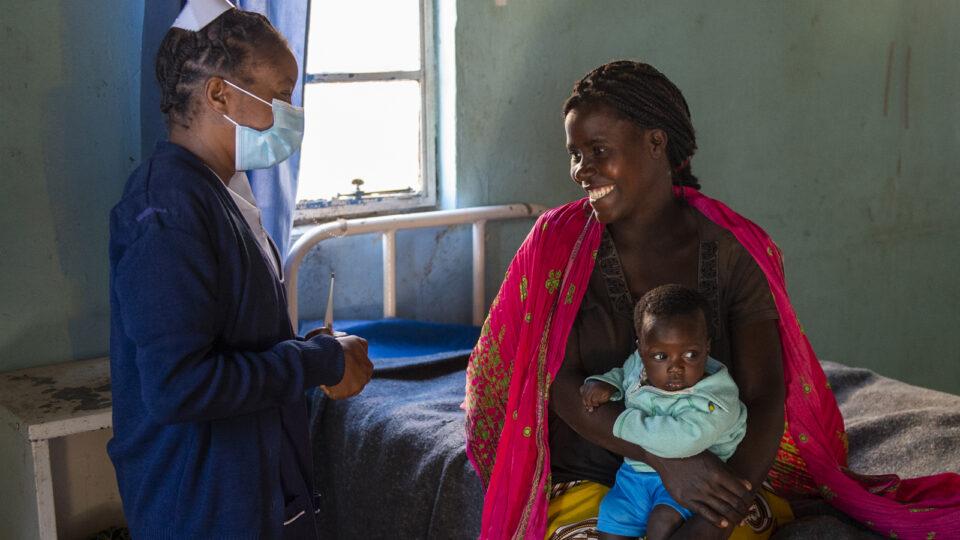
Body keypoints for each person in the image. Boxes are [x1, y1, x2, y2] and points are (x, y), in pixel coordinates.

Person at [465, 60, 960, 540]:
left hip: (720, 476)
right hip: (595, 476)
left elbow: (766, 398)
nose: (581, 170)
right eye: (575, 154)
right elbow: (560, 385)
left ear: (656, 143)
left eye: (597, 150)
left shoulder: (733, 253)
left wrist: (717, 518)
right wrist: (668, 460)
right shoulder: (559, 245)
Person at [107, 2, 372, 538]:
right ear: (220, 94)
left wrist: (305, 351)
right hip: (203, 506)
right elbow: (180, 387)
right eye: (279, 95)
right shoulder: (166, 208)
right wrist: (318, 361)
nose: (290, 112)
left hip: (250, 493)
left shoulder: (220, 193)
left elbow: (232, 339)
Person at [581, 285, 747, 540]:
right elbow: (627, 375)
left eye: (691, 354)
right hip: (633, 476)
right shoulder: (639, 363)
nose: (676, 368)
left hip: (690, 481)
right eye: (660, 356)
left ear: (707, 347)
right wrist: (608, 384)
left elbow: (680, 442)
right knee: (611, 518)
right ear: (641, 350)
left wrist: (621, 422)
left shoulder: (717, 400)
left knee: (662, 523)